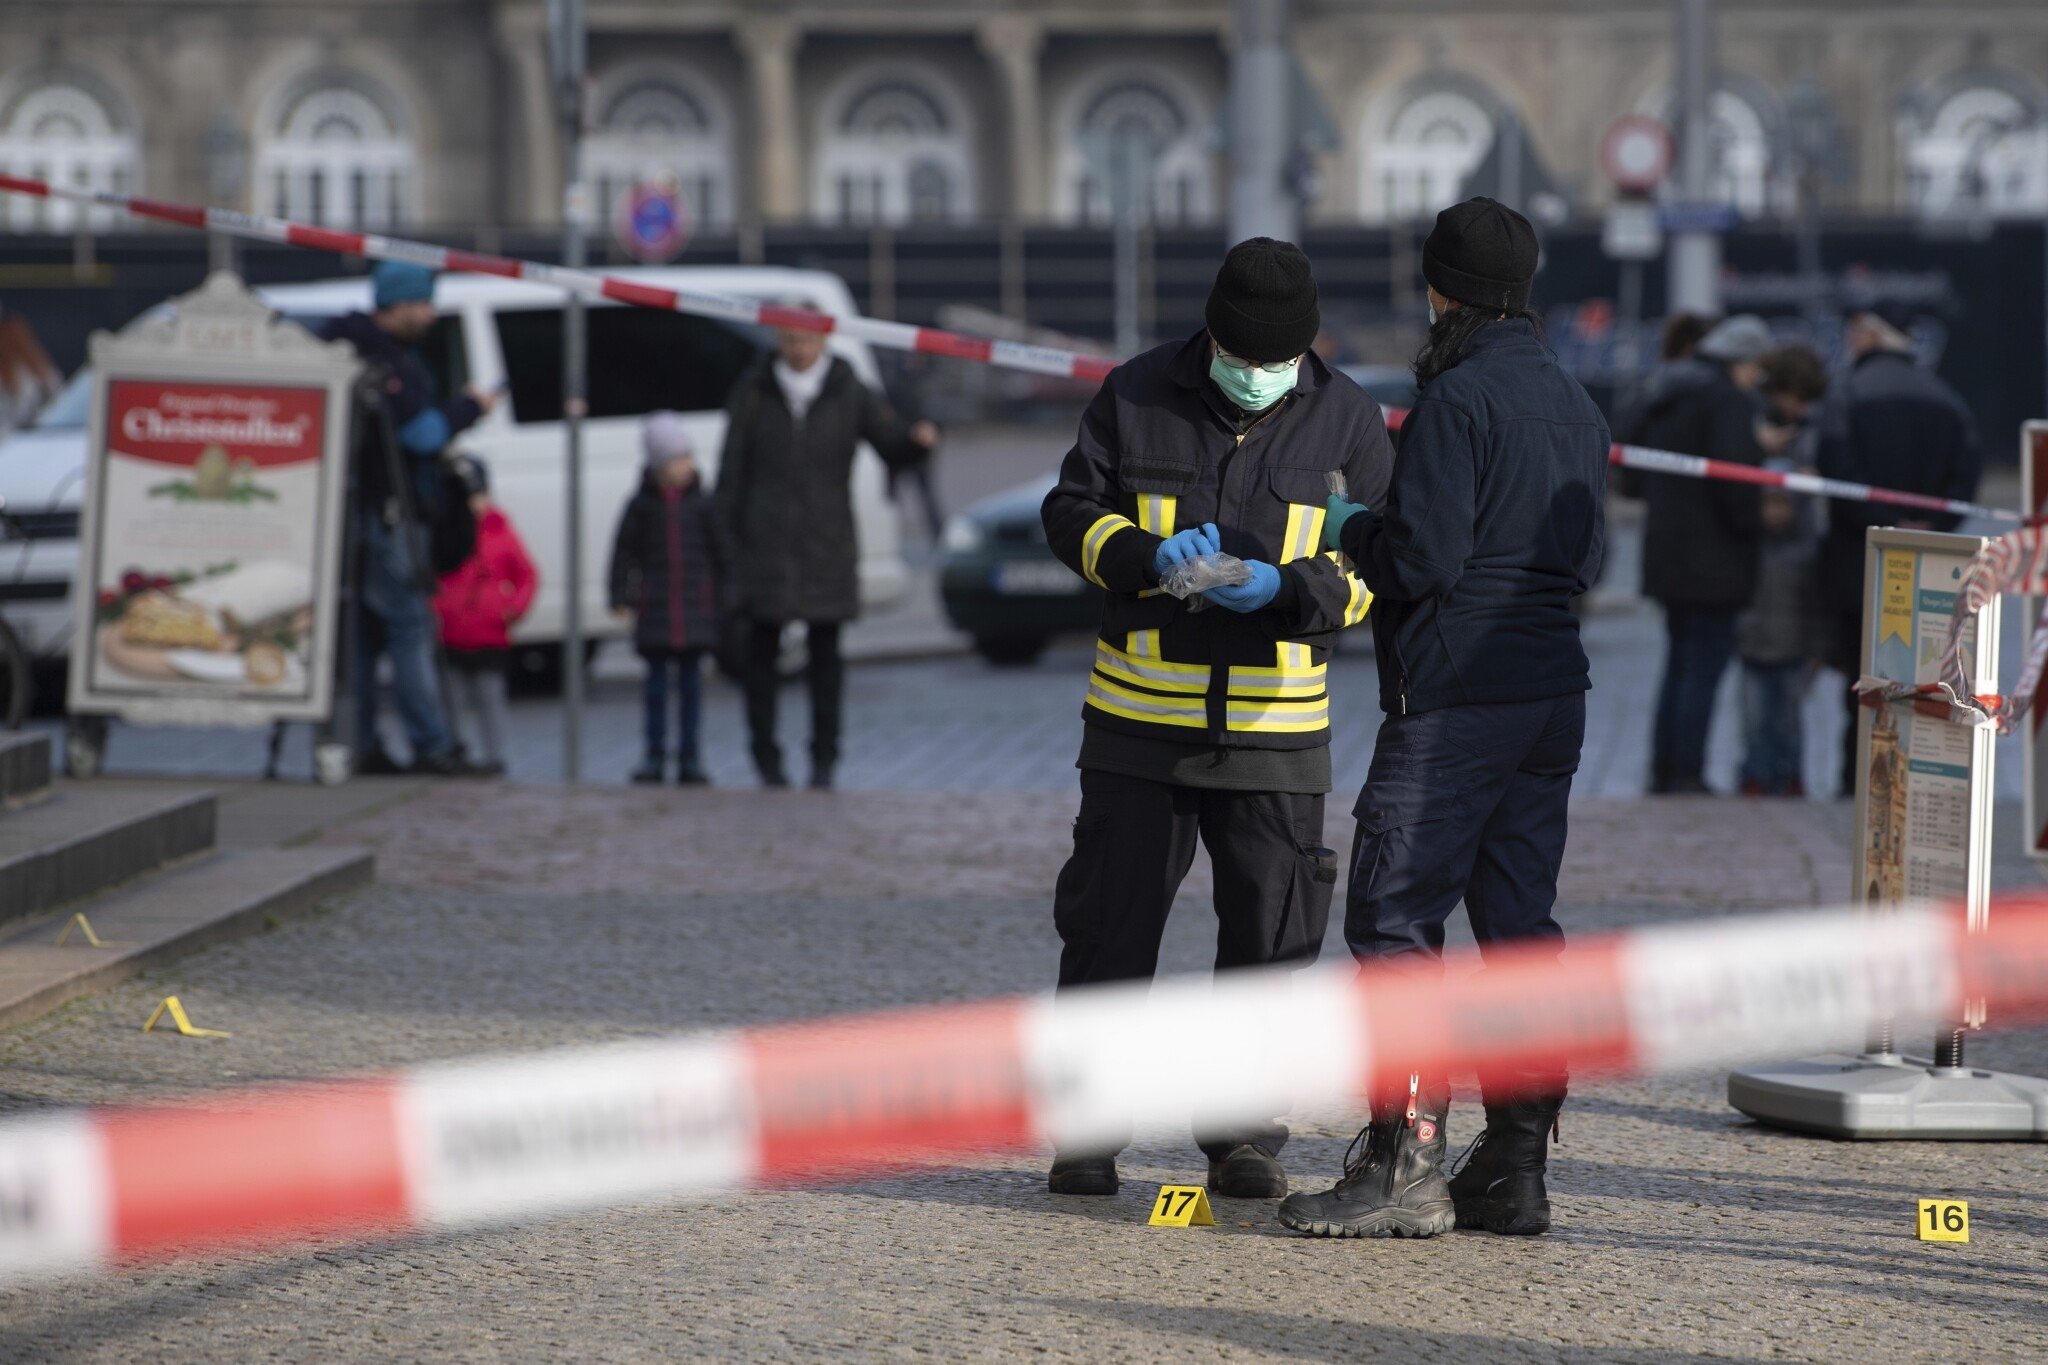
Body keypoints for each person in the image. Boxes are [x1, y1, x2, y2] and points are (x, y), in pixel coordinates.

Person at [1281, 197, 1608, 1240]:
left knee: (1393, 917)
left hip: (1454, 696)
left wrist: (1352, 527)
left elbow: (1420, 560)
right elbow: (1588, 560)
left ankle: (1402, 1164)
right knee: (1519, 934)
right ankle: (1511, 1167)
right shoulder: (1574, 402)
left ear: (1439, 289)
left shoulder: (1454, 402)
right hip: (1549, 696)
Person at [1039, 237, 1392, 1199]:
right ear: (1212, 335)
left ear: (1305, 348)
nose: (1255, 377)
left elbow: (1379, 576)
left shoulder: (1352, 422)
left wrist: (1288, 588)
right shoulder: (1137, 392)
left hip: (1277, 733)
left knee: (1269, 944)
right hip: (1136, 726)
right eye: (1240, 356)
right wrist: (1145, 555)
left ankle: (1241, 1136)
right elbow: (1070, 511)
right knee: (1110, 932)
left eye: (1274, 362)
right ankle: (1087, 1132)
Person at [716, 324, 939, 790]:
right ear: (778, 343)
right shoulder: (754, 390)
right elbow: (731, 469)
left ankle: (824, 759)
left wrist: (916, 442)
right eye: (790, 341)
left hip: (826, 543)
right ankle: (766, 758)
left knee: (826, 656)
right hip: (766, 544)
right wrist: (728, 543)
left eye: (806, 342)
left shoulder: (847, 388)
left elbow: (888, 440)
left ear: (823, 343)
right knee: (760, 654)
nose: (798, 350)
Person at [320, 261, 495, 776]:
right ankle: (432, 744)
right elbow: (421, 435)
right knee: (410, 628)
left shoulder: (370, 353)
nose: (431, 314)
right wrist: (467, 408)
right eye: (423, 304)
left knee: (367, 634)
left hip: (372, 515)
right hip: (389, 516)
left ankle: (363, 741)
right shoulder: (384, 362)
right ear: (395, 306)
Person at [1817, 301, 1981, 796]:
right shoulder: (1946, 399)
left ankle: (1857, 782)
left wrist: (1882, 524)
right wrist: (1927, 523)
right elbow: (1965, 475)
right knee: (1916, 676)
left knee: (1860, 675)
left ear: (1870, 335)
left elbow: (1835, 471)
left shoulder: (1846, 395)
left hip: (1858, 560)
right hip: (1928, 561)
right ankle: (1911, 782)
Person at [1632, 313, 1794, 795]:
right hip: (1714, 560)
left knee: (1679, 665)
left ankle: (1665, 768)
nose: (1757, 380)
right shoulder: (1725, 400)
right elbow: (1735, 485)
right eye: (1755, 369)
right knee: (1701, 670)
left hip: (1668, 554)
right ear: (1740, 361)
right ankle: (1688, 772)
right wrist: (1756, 521)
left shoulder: (1667, 389)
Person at [611, 413, 726, 786]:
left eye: (687, 458)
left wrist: (727, 598)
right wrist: (621, 594)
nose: (685, 466)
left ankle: (690, 754)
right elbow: (623, 553)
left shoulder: (703, 505)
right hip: (656, 613)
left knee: (692, 689)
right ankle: (654, 753)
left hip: (695, 612)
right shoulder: (642, 506)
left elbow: (724, 555)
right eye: (677, 460)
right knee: (656, 690)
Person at [1736, 345, 1829, 798]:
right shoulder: (1752, 426)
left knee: (1789, 704)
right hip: (1758, 592)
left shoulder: (1813, 432)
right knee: (1754, 705)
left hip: (1791, 592)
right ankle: (1756, 771)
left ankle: (1787, 772)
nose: (1800, 410)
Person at [432, 457, 536, 778]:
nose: (476, 504)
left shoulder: (500, 531)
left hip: (489, 633)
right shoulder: (446, 531)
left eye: (480, 495)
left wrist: (514, 608)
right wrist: (434, 611)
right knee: (452, 700)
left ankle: (496, 755)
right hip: (451, 632)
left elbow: (527, 575)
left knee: (490, 699)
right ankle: (454, 750)